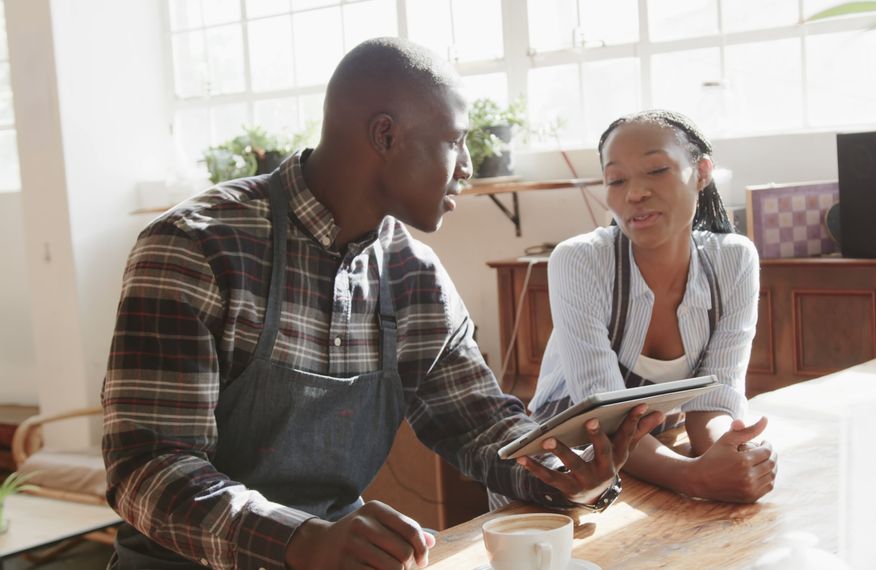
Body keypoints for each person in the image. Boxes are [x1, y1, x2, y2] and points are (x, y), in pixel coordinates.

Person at [100, 38, 662, 570]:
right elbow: (148, 467)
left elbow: (482, 428)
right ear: (386, 136)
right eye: (455, 141)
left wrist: (565, 472)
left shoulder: (410, 273)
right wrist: (301, 542)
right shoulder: (197, 246)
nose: (467, 165)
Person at [524, 110, 777, 505]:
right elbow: (604, 420)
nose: (635, 193)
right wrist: (692, 476)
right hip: (566, 477)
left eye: (657, 170)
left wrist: (727, 454)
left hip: (657, 459)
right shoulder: (580, 261)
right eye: (616, 180)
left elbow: (715, 398)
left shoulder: (734, 261)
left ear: (702, 172)